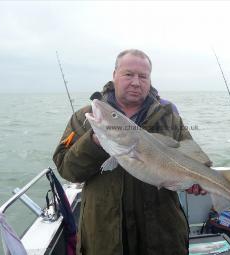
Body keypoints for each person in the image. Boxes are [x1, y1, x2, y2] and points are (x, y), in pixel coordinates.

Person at [53, 49, 210, 255]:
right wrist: (93, 142)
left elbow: (192, 155)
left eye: (143, 76)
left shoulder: (167, 115)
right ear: (114, 75)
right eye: (128, 74)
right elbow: (66, 169)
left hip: (161, 236)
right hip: (104, 235)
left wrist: (200, 179)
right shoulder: (86, 116)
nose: (136, 82)